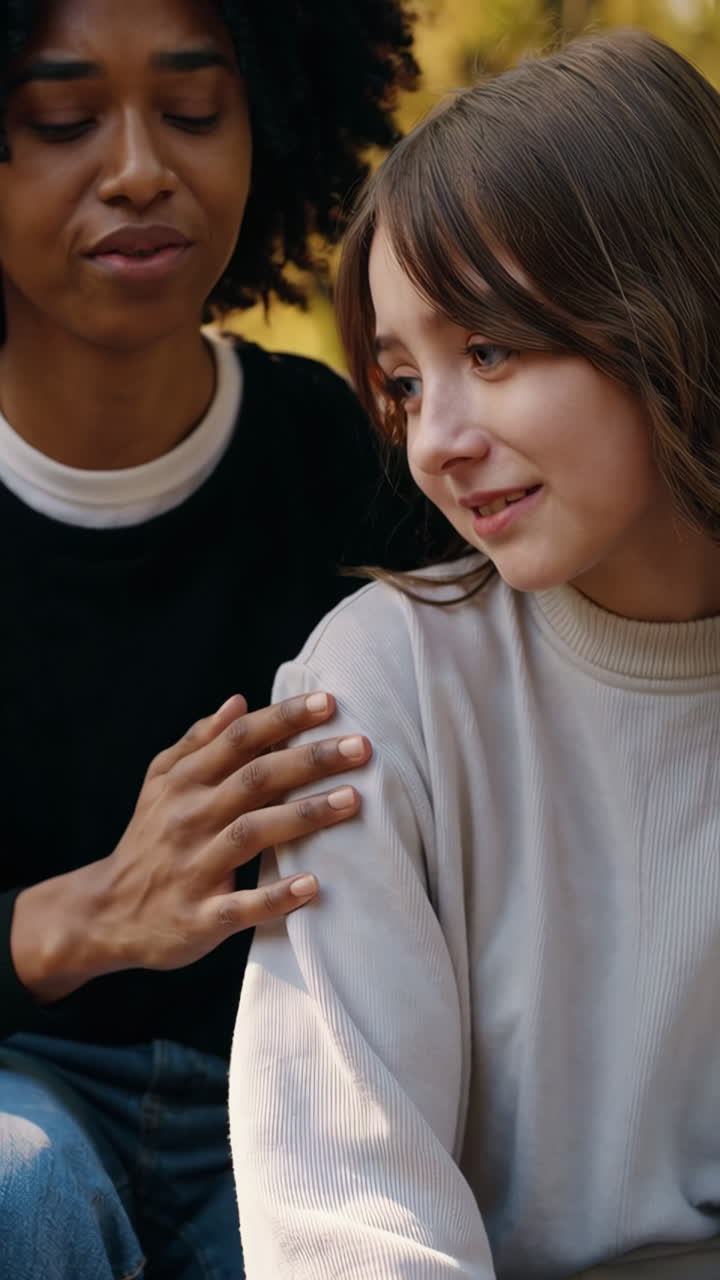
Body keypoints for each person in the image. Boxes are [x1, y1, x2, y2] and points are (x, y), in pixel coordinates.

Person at [231, 28, 720, 1279]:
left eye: (489, 351)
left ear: (669, 304)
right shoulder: (375, 692)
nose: (433, 441)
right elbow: (342, 1215)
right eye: (401, 380)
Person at [0, 1, 444, 1277]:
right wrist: (72, 919)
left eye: (194, 110)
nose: (140, 167)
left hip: (300, 1089)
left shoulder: (347, 455)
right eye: (61, 120)